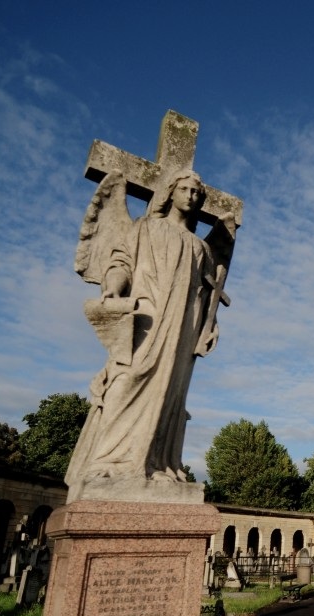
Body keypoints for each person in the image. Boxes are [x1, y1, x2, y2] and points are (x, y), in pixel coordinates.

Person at [66, 170, 224, 499]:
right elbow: (120, 261)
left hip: (183, 326)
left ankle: (157, 462)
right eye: (185, 189)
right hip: (147, 314)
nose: (191, 196)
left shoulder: (200, 248)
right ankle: (109, 460)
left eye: (196, 192)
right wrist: (112, 290)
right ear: (170, 191)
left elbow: (209, 295)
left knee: (171, 391)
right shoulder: (145, 228)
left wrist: (210, 326)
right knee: (129, 377)